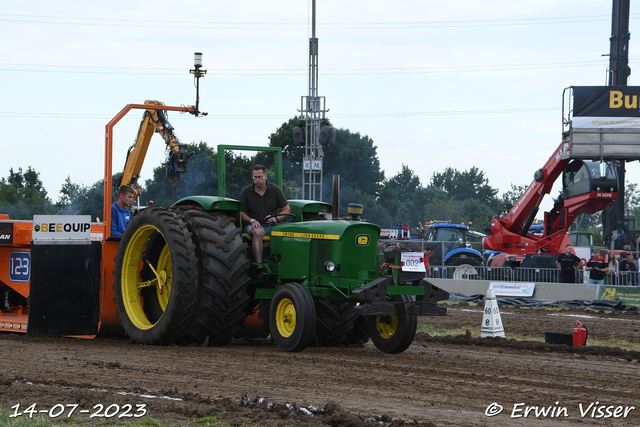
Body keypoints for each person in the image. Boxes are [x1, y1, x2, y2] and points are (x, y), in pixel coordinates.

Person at [239, 165, 291, 272]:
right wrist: (252, 220)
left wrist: (276, 218)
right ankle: (259, 267)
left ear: (265, 176)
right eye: (255, 177)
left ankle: (285, 264)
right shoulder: (246, 192)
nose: (257, 180)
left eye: (260, 177)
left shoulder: (275, 190)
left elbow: (287, 209)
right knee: (258, 232)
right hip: (254, 224)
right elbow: (241, 212)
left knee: (290, 231)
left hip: (272, 225)